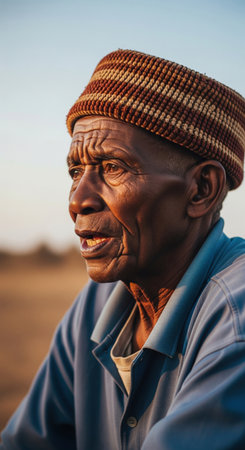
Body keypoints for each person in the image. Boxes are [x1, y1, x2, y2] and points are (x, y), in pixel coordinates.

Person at [1, 49, 245, 450]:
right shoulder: (94, 308)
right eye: (75, 172)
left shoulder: (235, 316)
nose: (78, 200)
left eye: (113, 167)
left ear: (202, 189)